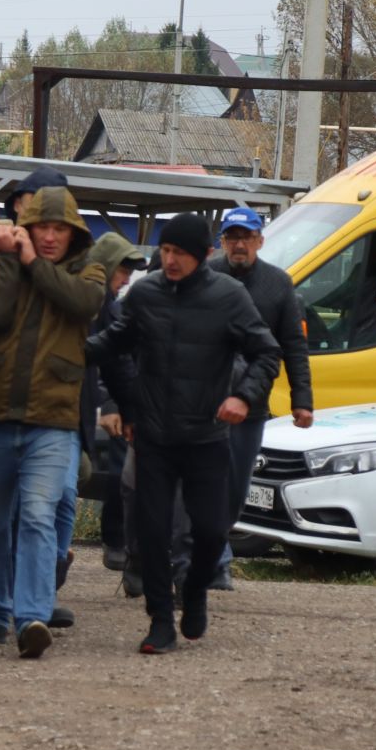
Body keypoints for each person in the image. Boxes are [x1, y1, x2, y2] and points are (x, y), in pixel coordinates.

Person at [87, 213, 281, 655]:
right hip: (154, 435)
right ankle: (159, 621)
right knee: (153, 531)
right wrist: (69, 352)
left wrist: (244, 398)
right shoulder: (147, 293)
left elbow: (266, 352)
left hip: (207, 436)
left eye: (180, 254)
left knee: (212, 530)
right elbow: (115, 344)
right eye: (167, 251)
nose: (170, 260)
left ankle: (194, 592)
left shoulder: (228, 296)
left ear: (203, 256)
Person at [0, 187, 107, 659]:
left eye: (59, 229)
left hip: (53, 421)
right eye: (41, 228)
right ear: (26, 229)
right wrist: (8, 259)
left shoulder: (90, 270)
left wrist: (32, 264)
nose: (49, 237)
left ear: (74, 234)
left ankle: (31, 618)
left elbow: (82, 304)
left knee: (38, 517)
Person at [207, 207, 315, 588]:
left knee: (236, 487)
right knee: (206, 481)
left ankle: (216, 545)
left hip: (252, 404)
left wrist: (302, 398)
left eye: (246, 237)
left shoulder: (278, 284)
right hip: (205, 401)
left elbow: (294, 346)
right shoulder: (206, 277)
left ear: (260, 241)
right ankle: (213, 559)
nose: (239, 244)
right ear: (222, 242)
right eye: (232, 237)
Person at [83, 234, 148, 574]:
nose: (126, 280)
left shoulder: (113, 307)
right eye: (122, 272)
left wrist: (123, 407)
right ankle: (116, 541)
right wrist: (112, 404)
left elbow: (119, 360)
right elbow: (112, 359)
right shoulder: (85, 302)